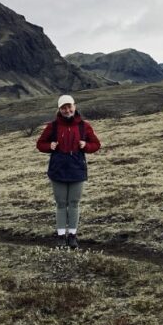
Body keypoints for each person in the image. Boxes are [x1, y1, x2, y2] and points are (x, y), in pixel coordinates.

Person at [36, 94, 101, 249]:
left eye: (69, 106)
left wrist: (86, 146)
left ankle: (72, 236)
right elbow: (40, 144)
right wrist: (49, 146)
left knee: (73, 203)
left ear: (74, 106)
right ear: (59, 109)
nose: (67, 110)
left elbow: (96, 144)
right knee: (61, 204)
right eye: (63, 108)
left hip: (77, 170)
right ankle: (60, 236)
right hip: (58, 171)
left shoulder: (84, 126)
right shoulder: (53, 126)